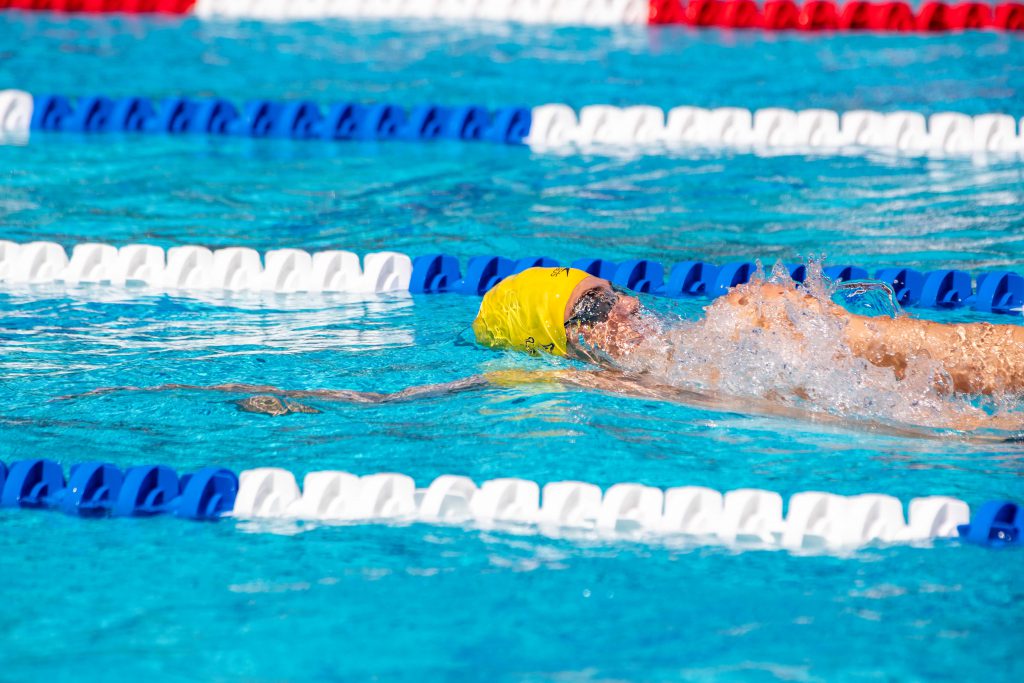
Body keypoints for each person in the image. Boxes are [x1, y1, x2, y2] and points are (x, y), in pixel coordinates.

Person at [60, 266, 1024, 434]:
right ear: (562, 352)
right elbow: (418, 400)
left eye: (604, 293)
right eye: (586, 315)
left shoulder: (732, 325)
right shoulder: (605, 389)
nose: (615, 314)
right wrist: (295, 401)